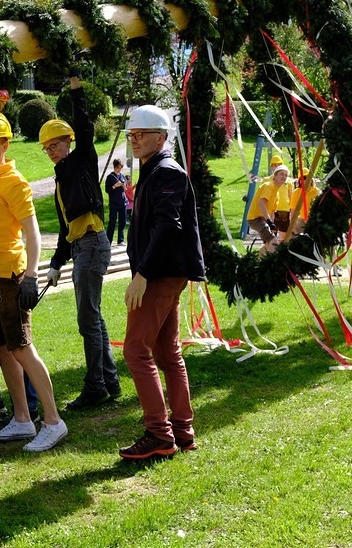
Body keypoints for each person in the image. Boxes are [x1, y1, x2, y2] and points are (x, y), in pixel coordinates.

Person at [0, 109, 68, 451]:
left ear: (5, 145)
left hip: (10, 279)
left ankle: (53, 421)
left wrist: (31, 275)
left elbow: (32, 232)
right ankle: (22, 418)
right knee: (0, 348)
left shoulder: (14, 182)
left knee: (22, 348)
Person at [120, 105, 204, 460]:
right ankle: (181, 430)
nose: (135, 140)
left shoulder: (166, 171)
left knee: (135, 350)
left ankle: (159, 433)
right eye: (132, 135)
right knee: (167, 352)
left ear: (162, 137)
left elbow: (169, 227)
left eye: (141, 134)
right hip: (165, 271)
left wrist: (143, 274)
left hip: (160, 273)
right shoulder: (155, 170)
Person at [40, 73, 121, 410]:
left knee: (88, 320)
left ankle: (95, 386)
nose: (50, 152)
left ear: (68, 142)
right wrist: (55, 264)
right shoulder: (60, 180)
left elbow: (85, 126)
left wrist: (75, 87)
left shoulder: (82, 159)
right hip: (80, 246)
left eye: (55, 145)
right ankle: (109, 382)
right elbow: (65, 228)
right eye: (46, 148)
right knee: (94, 318)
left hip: (92, 244)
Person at [246, 164, 289, 250]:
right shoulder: (269, 186)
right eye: (281, 174)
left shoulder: (277, 193)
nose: (284, 177)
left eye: (286, 175)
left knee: (269, 243)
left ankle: (258, 257)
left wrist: (272, 226)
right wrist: (269, 222)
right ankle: (274, 258)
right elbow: (261, 203)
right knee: (273, 242)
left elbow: (272, 212)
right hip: (255, 218)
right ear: (275, 175)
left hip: (263, 220)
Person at [281, 166, 319, 240]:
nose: (306, 180)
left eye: (308, 177)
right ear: (300, 181)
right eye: (303, 178)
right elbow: (293, 212)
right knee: (290, 234)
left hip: (314, 220)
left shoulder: (317, 192)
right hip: (301, 220)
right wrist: (294, 229)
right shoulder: (296, 193)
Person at [105, 158, 129, 245]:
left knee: (122, 221)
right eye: (118, 167)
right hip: (114, 203)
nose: (119, 169)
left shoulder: (122, 176)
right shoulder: (110, 177)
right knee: (112, 221)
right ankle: (109, 240)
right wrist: (115, 186)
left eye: (121, 167)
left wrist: (123, 186)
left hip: (123, 202)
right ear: (115, 167)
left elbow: (126, 189)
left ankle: (120, 240)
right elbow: (107, 190)